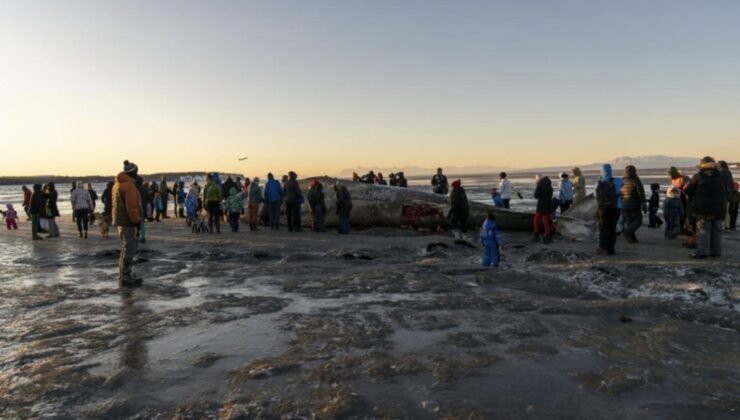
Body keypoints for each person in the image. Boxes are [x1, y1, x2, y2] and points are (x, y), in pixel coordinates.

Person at [685, 157, 727, 258]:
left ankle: (702, 252)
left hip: (702, 209)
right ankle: (715, 252)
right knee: (716, 231)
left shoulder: (699, 176)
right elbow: (726, 190)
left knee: (703, 230)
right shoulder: (721, 176)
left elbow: (688, 191)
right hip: (719, 208)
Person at [113, 161, 142, 287]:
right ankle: (126, 276)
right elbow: (131, 206)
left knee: (125, 248)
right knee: (130, 248)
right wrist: (136, 221)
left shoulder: (118, 184)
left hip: (121, 222)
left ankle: (124, 275)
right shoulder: (129, 185)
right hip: (128, 222)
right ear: (133, 172)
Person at [596, 164, 623, 255]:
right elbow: (623, 184)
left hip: (603, 209)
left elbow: (596, 195)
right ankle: (611, 249)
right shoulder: (618, 181)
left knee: (603, 229)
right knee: (612, 229)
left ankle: (603, 248)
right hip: (616, 208)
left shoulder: (598, 183)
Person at [620, 165, 647, 243]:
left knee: (630, 222)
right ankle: (627, 233)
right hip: (634, 205)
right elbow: (641, 192)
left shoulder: (622, 180)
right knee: (638, 221)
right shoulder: (635, 180)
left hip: (624, 205)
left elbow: (620, 193)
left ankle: (632, 238)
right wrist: (643, 203)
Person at [532, 175, 553, 243]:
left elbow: (536, 196)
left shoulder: (540, 186)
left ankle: (536, 235)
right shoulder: (550, 187)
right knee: (546, 221)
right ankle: (547, 236)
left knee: (535, 220)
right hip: (548, 206)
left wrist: (538, 188)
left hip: (541, 206)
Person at [718, 161, 735, 230]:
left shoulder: (721, 173)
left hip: (722, 195)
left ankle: (721, 225)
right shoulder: (728, 173)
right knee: (727, 211)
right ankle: (727, 225)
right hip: (729, 195)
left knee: (721, 211)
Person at [135, 176, 150, 243]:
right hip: (143, 208)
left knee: (135, 223)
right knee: (142, 223)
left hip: (135, 208)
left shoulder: (133, 189)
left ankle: (136, 236)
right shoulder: (144, 189)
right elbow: (149, 198)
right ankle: (142, 237)